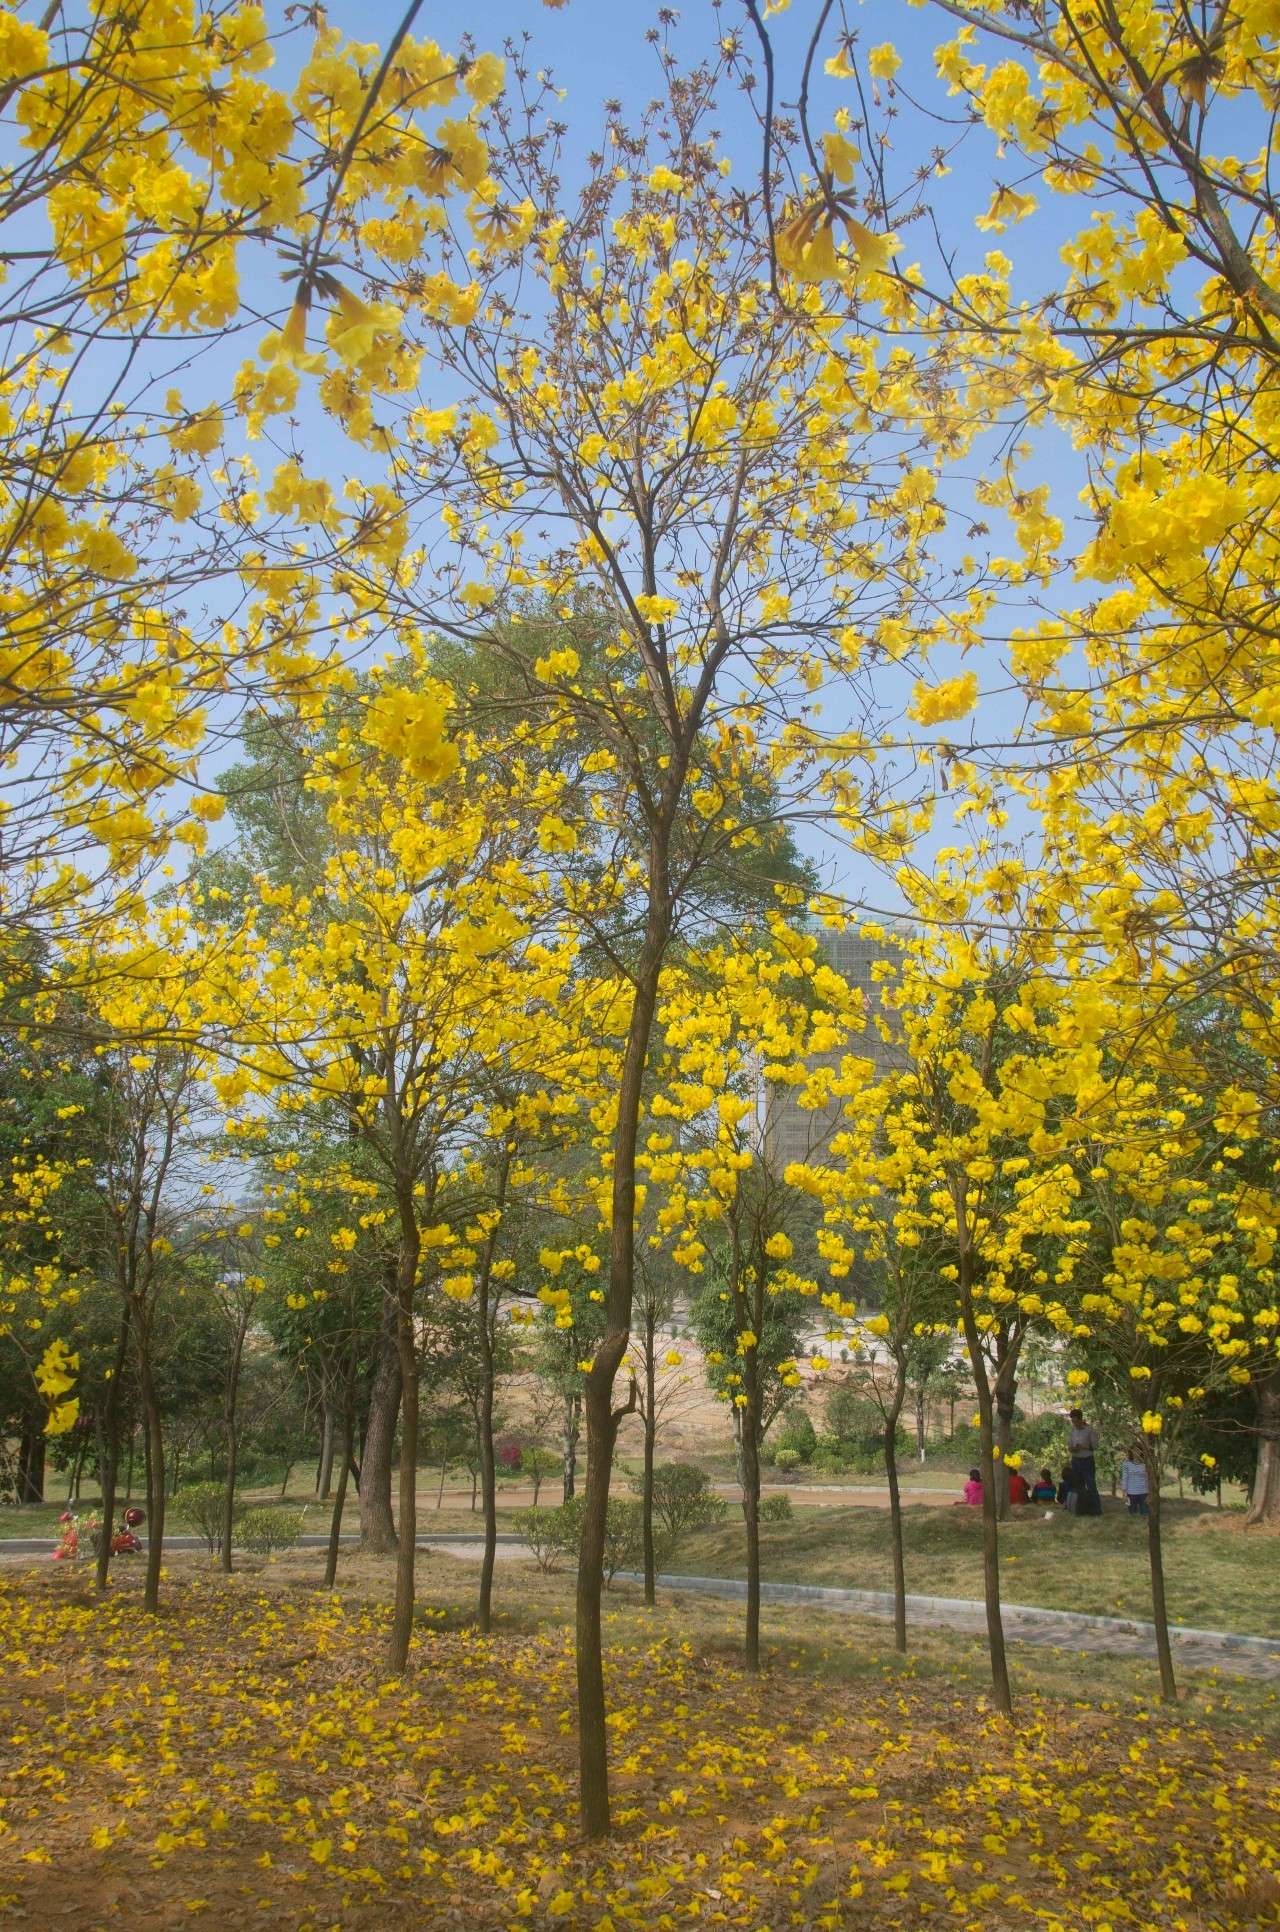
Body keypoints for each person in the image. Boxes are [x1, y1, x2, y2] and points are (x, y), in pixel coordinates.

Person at [1067, 1406, 1102, 1515]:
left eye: (1076, 1421)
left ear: (1081, 1419)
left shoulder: (1090, 1430)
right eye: (1072, 1421)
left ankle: (1096, 1510)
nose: (1074, 1424)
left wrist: (1084, 1446)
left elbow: (1095, 1446)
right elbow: (1069, 1446)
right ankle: (1079, 1508)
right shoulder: (1073, 1430)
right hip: (1076, 1460)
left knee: (1091, 1485)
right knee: (1077, 1485)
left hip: (1087, 1461)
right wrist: (1073, 1448)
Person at [1120, 1445, 1150, 1516]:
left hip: (1144, 1493)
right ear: (1131, 1452)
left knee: (1145, 1514)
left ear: (1141, 1451)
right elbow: (1124, 1478)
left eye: (1138, 1450)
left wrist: (1150, 1493)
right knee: (1132, 1514)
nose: (1136, 1452)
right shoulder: (1126, 1464)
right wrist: (1124, 1493)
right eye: (1134, 1450)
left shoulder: (1146, 1464)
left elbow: (1148, 1479)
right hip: (1131, 1493)